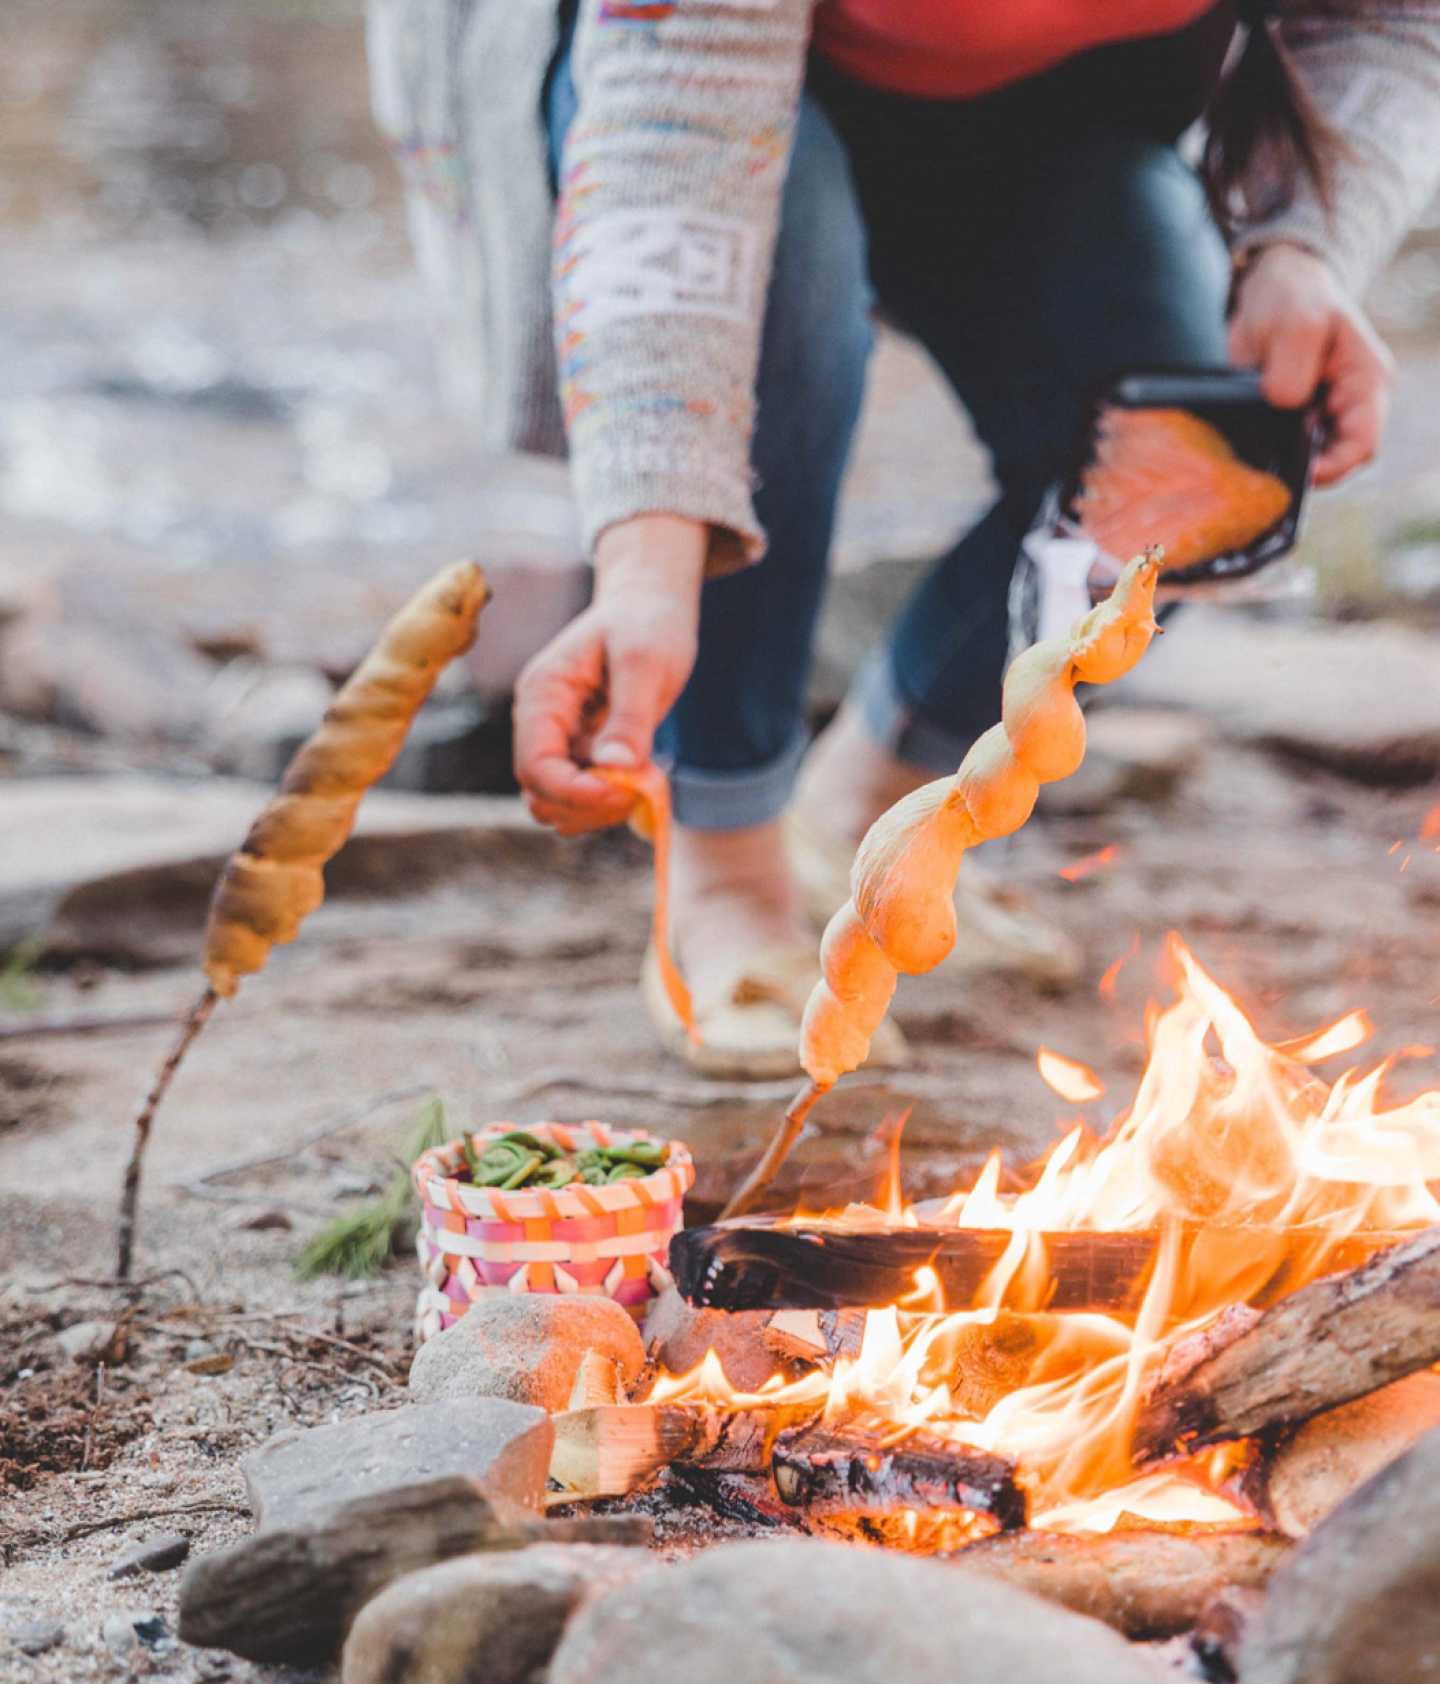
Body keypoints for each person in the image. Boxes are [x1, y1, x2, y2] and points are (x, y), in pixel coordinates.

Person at [370, 0, 1440, 1074]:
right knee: (772, 295)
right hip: (712, 99)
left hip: (1072, 112)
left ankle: (870, 824)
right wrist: (646, 563)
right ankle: (725, 862)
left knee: (1205, 460)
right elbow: (676, 121)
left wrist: (1302, 243)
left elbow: (1391, 17)